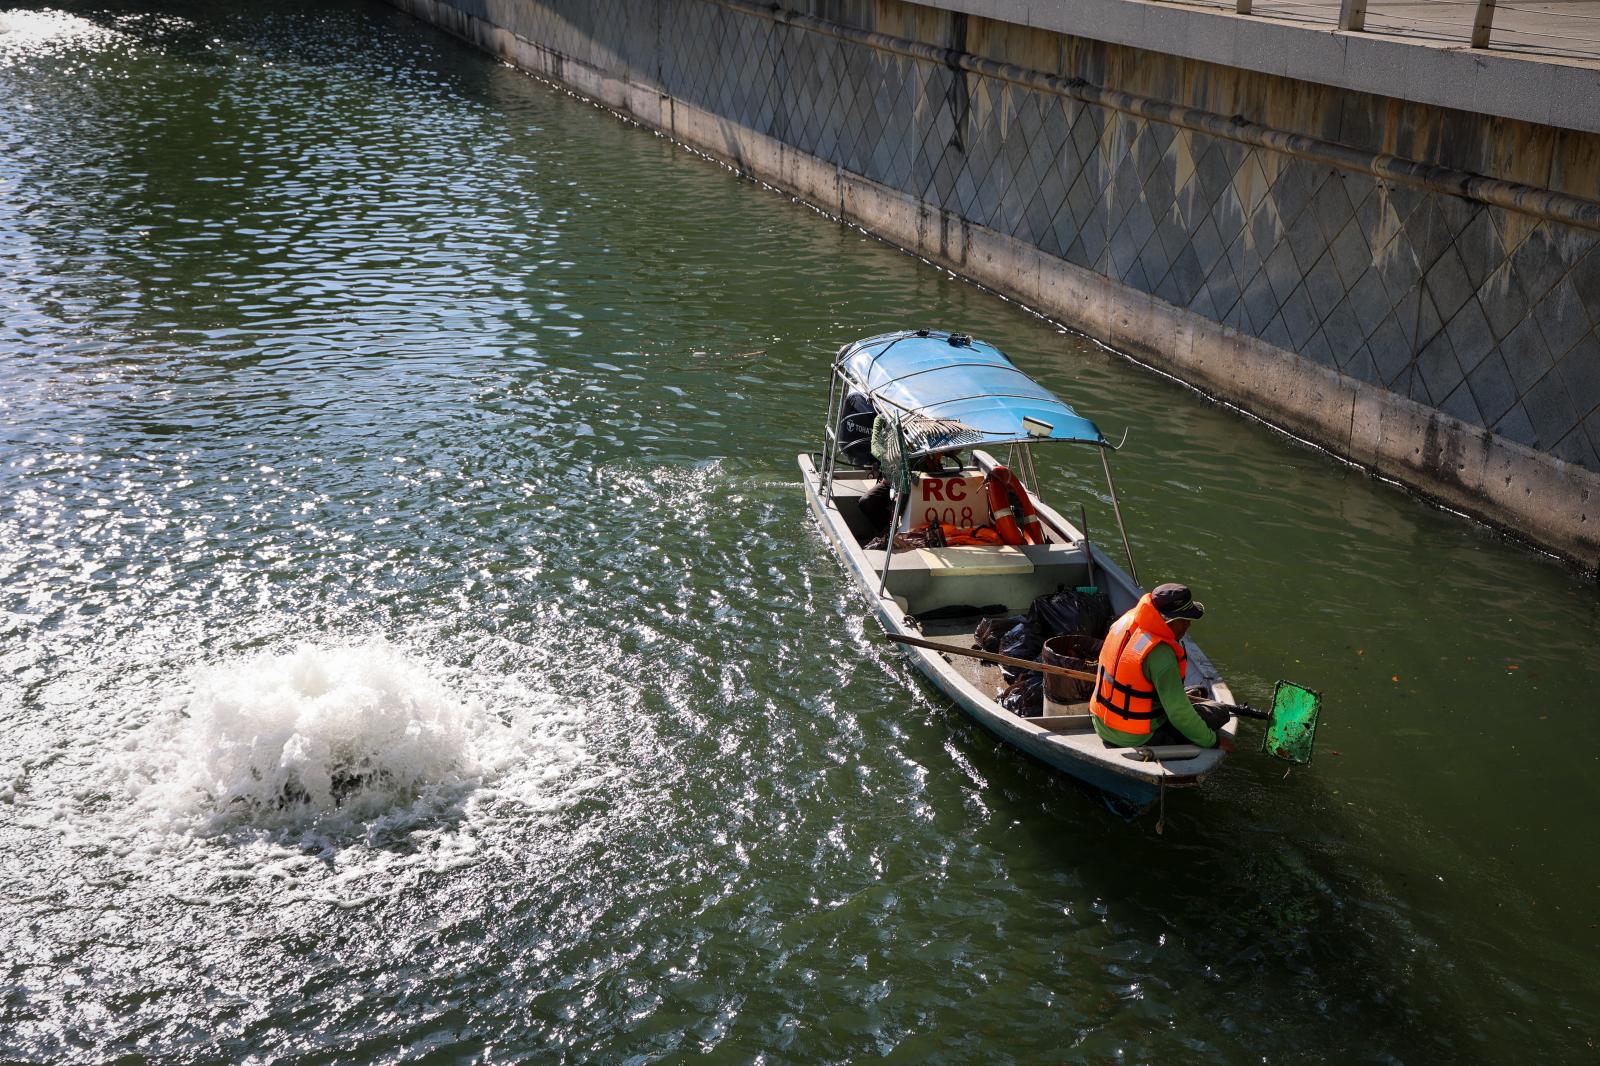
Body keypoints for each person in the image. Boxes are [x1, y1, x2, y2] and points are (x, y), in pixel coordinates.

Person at [1090, 583, 1235, 752]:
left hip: (1100, 725)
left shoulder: (1123, 623)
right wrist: (1214, 741)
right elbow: (1179, 715)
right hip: (1137, 737)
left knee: (1196, 693)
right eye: (1184, 620)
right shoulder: (1161, 654)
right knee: (1219, 711)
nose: (1188, 625)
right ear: (1169, 620)